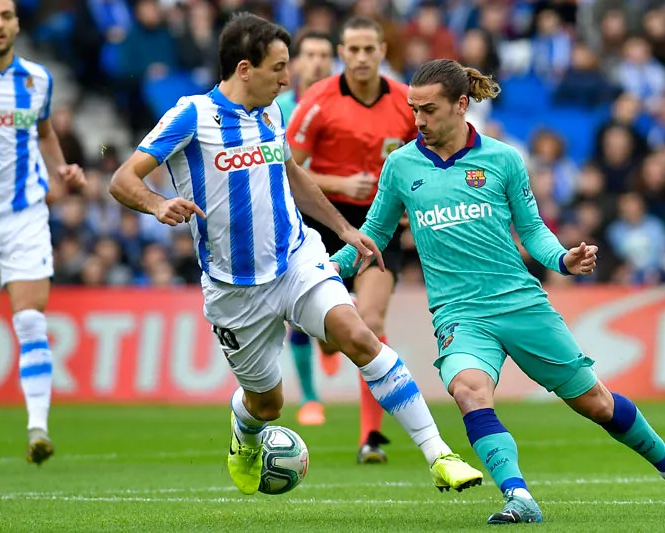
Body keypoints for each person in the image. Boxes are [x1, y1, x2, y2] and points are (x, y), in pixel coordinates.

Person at [108, 13, 483, 497]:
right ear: (245, 69)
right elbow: (122, 179)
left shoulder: (271, 112)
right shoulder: (192, 115)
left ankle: (440, 456)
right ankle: (243, 436)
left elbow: (293, 174)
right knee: (267, 405)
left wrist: (345, 227)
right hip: (233, 288)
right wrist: (159, 204)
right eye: (279, 68)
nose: (288, 79)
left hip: (296, 260)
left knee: (360, 337)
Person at [331, 59, 665, 524]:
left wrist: (561, 259)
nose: (419, 121)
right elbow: (373, 235)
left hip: (520, 303)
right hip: (459, 313)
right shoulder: (400, 165)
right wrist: (322, 270)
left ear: (460, 105)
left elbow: (532, 229)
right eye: (414, 109)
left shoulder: (503, 159)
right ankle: (519, 497)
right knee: (469, 391)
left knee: (595, 402)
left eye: (429, 110)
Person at [285, 16, 417, 464]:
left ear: (382, 51)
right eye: (353, 50)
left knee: (372, 320)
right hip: (324, 221)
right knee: (330, 330)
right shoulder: (318, 101)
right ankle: (324, 344)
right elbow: (289, 169)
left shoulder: (405, 102)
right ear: (342, 54)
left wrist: (412, 208)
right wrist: (341, 181)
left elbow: (427, 160)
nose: (361, 58)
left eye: (369, 49)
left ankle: (370, 437)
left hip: (380, 225)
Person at [0, 0, 86, 465]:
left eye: (5, 16)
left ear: (18, 23)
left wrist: (60, 169)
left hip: (24, 214)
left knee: (29, 320)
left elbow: (44, 132)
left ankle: (38, 429)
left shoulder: (37, 79)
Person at [275, 30, 334, 426]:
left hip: (334, 215)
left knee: (334, 309)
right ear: (297, 62)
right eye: (309, 54)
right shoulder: (278, 107)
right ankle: (311, 398)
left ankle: (329, 344)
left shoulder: (340, 108)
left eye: (323, 55)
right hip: (292, 217)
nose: (315, 62)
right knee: (295, 313)